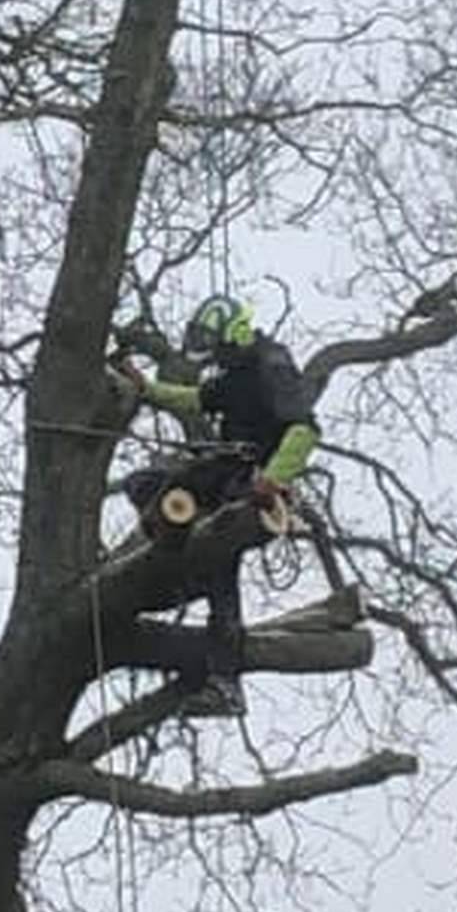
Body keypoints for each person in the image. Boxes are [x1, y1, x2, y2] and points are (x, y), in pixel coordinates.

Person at [116, 295, 320, 716]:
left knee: (221, 567)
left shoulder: (271, 366)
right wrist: (146, 389)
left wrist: (274, 479)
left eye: (219, 348)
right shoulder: (234, 374)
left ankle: (224, 681)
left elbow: (304, 429)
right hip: (225, 469)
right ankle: (174, 568)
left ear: (234, 334)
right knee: (146, 484)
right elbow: (195, 399)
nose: (216, 358)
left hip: (253, 481)